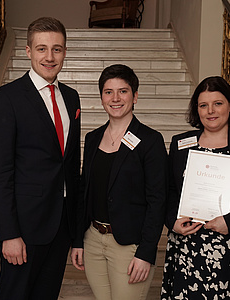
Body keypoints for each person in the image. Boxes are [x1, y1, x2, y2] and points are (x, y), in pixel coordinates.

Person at [0, 17, 81, 300]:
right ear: (28, 51)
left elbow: (71, 166)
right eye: (42, 49)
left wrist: (75, 233)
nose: (49, 57)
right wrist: (8, 233)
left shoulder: (71, 97)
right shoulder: (7, 97)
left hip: (61, 226)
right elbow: (0, 172)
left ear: (65, 52)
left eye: (57, 49)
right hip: (24, 229)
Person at [71, 64, 167, 300]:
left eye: (123, 91)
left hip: (129, 246)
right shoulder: (92, 138)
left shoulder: (150, 141)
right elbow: (85, 192)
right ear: (101, 97)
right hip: (93, 240)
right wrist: (78, 241)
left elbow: (158, 201)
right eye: (108, 92)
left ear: (135, 96)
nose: (115, 98)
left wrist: (146, 253)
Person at [161, 76, 230, 300]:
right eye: (203, 105)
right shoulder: (182, 144)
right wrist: (172, 220)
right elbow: (169, 190)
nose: (210, 110)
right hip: (186, 247)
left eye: (218, 103)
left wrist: (228, 222)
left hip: (226, 247)